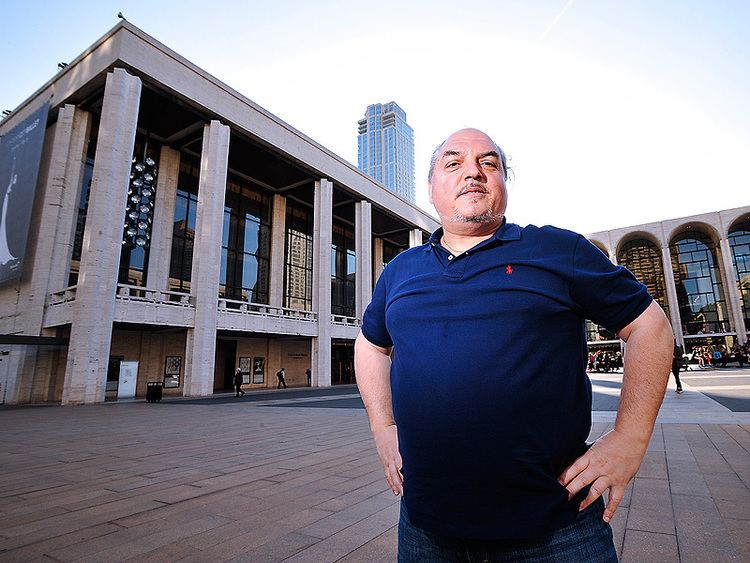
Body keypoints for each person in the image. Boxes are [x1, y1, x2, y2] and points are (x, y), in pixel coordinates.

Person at [355, 128, 673, 561]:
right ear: (430, 188)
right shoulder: (400, 271)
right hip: (426, 531)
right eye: (454, 163)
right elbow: (371, 345)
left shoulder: (558, 250)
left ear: (504, 183)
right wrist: (382, 425)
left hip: (556, 532)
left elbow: (650, 327)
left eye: (489, 164)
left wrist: (629, 439)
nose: (474, 172)